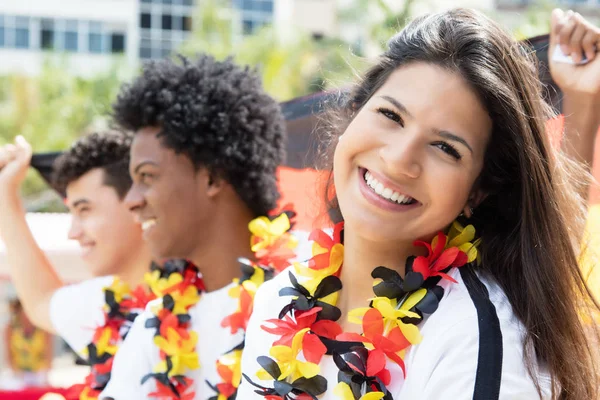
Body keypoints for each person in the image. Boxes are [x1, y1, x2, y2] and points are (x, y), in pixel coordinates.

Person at [237, 8, 600, 400]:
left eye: (445, 148)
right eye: (390, 115)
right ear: (355, 111)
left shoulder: (473, 339)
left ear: (477, 191)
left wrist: (583, 100)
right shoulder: (278, 303)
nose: (398, 159)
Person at [100, 54, 295, 400]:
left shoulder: (310, 298)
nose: (131, 199)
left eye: (146, 176)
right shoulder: (154, 326)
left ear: (212, 177)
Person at [0, 131, 154, 398]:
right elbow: (40, 300)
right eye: (71, 212)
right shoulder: (105, 302)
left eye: (84, 210)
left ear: (136, 201)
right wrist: (5, 195)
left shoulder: (203, 297)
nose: (72, 232)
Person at [3, 298, 53, 389]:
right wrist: (17, 373)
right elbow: (9, 355)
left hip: (39, 374)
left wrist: (43, 373)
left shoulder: (44, 329)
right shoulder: (10, 329)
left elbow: (48, 354)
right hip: (18, 374)